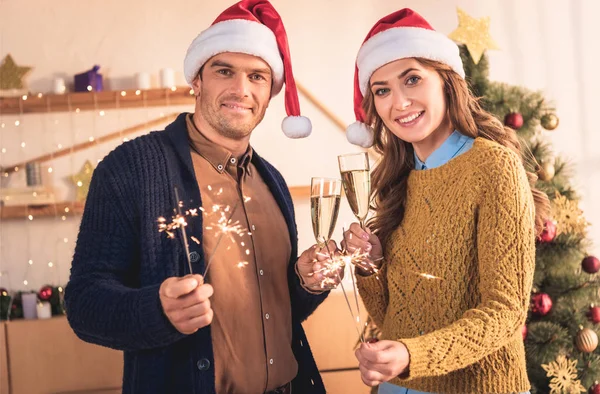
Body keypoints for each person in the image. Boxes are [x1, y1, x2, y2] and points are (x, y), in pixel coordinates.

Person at [64, 1, 337, 393]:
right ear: (197, 80)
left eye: (257, 76)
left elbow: (278, 314)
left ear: (270, 91)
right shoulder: (131, 168)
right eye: (224, 71)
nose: (241, 90)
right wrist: (156, 312)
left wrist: (305, 283)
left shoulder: (271, 180)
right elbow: (84, 302)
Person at [341, 8, 549, 394]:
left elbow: (505, 311)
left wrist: (409, 355)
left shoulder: (493, 166)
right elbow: (393, 319)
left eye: (412, 80)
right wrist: (371, 268)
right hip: (399, 387)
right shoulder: (397, 178)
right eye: (382, 90)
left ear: (446, 81)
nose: (399, 102)